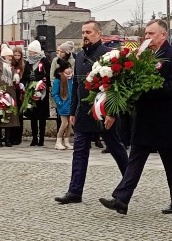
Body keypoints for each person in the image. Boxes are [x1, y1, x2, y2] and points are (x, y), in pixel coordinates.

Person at [100, 19, 172, 216]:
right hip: (144, 117)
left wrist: (146, 88)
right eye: (146, 34)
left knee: (171, 161)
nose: (147, 37)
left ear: (163, 35)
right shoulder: (142, 55)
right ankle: (121, 199)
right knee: (136, 159)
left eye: (151, 33)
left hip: (165, 118)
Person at [55, 21, 130, 204]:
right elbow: (77, 87)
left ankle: (129, 184)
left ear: (98, 34)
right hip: (83, 112)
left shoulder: (108, 55)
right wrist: (73, 110)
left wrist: (112, 113)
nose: (85, 35)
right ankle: (75, 191)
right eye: (83, 32)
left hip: (104, 112)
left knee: (116, 149)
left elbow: (116, 87)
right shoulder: (79, 57)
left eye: (88, 32)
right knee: (79, 152)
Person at [0, 48, 19, 147]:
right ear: (4, 56)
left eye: (11, 56)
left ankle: (7, 139)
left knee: (9, 114)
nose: (11, 57)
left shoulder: (11, 66)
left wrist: (16, 77)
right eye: (9, 56)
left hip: (10, 93)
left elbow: (14, 76)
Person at [26, 40, 52, 146]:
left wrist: (41, 81)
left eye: (31, 52)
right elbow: (25, 75)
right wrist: (28, 79)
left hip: (42, 92)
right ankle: (34, 138)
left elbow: (48, 75)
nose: (30, 53)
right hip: (31, 91)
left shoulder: (44, 61)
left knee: (41, 117)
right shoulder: (28, 62)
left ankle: (41, 138)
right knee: (33, 116)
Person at [8, 45, 30, 145]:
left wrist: (22, 83)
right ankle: (11, 136)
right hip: (11, 91)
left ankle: (18, 136)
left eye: (18, 55)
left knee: (19, 115)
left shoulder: (24, 65)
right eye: (15, 55)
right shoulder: (10, 65)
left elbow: (26, 77)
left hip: (20, 92)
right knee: (12, 114)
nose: (17, 57)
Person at [51, 61, 74, 149]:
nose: (69, 70)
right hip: (63, 105)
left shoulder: (71, 79)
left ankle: (67, 141)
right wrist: (60, 103)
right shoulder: (58, 80)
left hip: (70, 105)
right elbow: (54, 93)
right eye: (67, 68)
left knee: (69, 124)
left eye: (70, 68)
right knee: (64, 123)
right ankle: (58, 141)